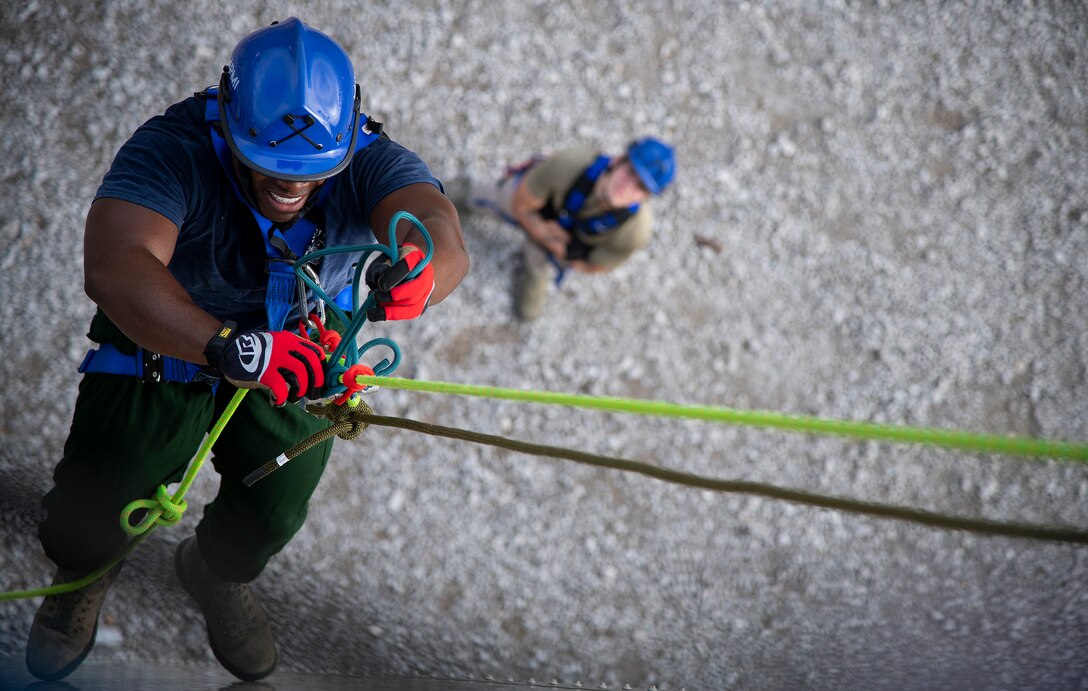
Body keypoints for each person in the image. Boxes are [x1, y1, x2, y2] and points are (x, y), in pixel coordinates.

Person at [25, 17, 469, 683]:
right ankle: (82, 573)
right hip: (166, 344)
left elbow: (436, 223)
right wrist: (222, 343)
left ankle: (216, 570)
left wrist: (423, 268)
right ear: (229, 123)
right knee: (97, 498)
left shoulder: (369, 156)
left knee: (275, 505)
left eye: (311, 172)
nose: (289, 185)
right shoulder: (173, 148)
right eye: (268, 165)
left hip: (300, 355)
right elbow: (117, 264)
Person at [469, 137, 675, 320]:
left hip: (558, 249)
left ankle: (527, 298)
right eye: (630, 172)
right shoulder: (572, 164)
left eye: (640, 186)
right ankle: (449, 202)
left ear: (645, 197)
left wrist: (553, 244)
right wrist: (546, 233)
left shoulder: (634, 232)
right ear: (617, 160)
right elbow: (520, 204)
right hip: (538, 212)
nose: (628, 186)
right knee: (486, 197)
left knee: (529, 306)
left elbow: (594, 265)